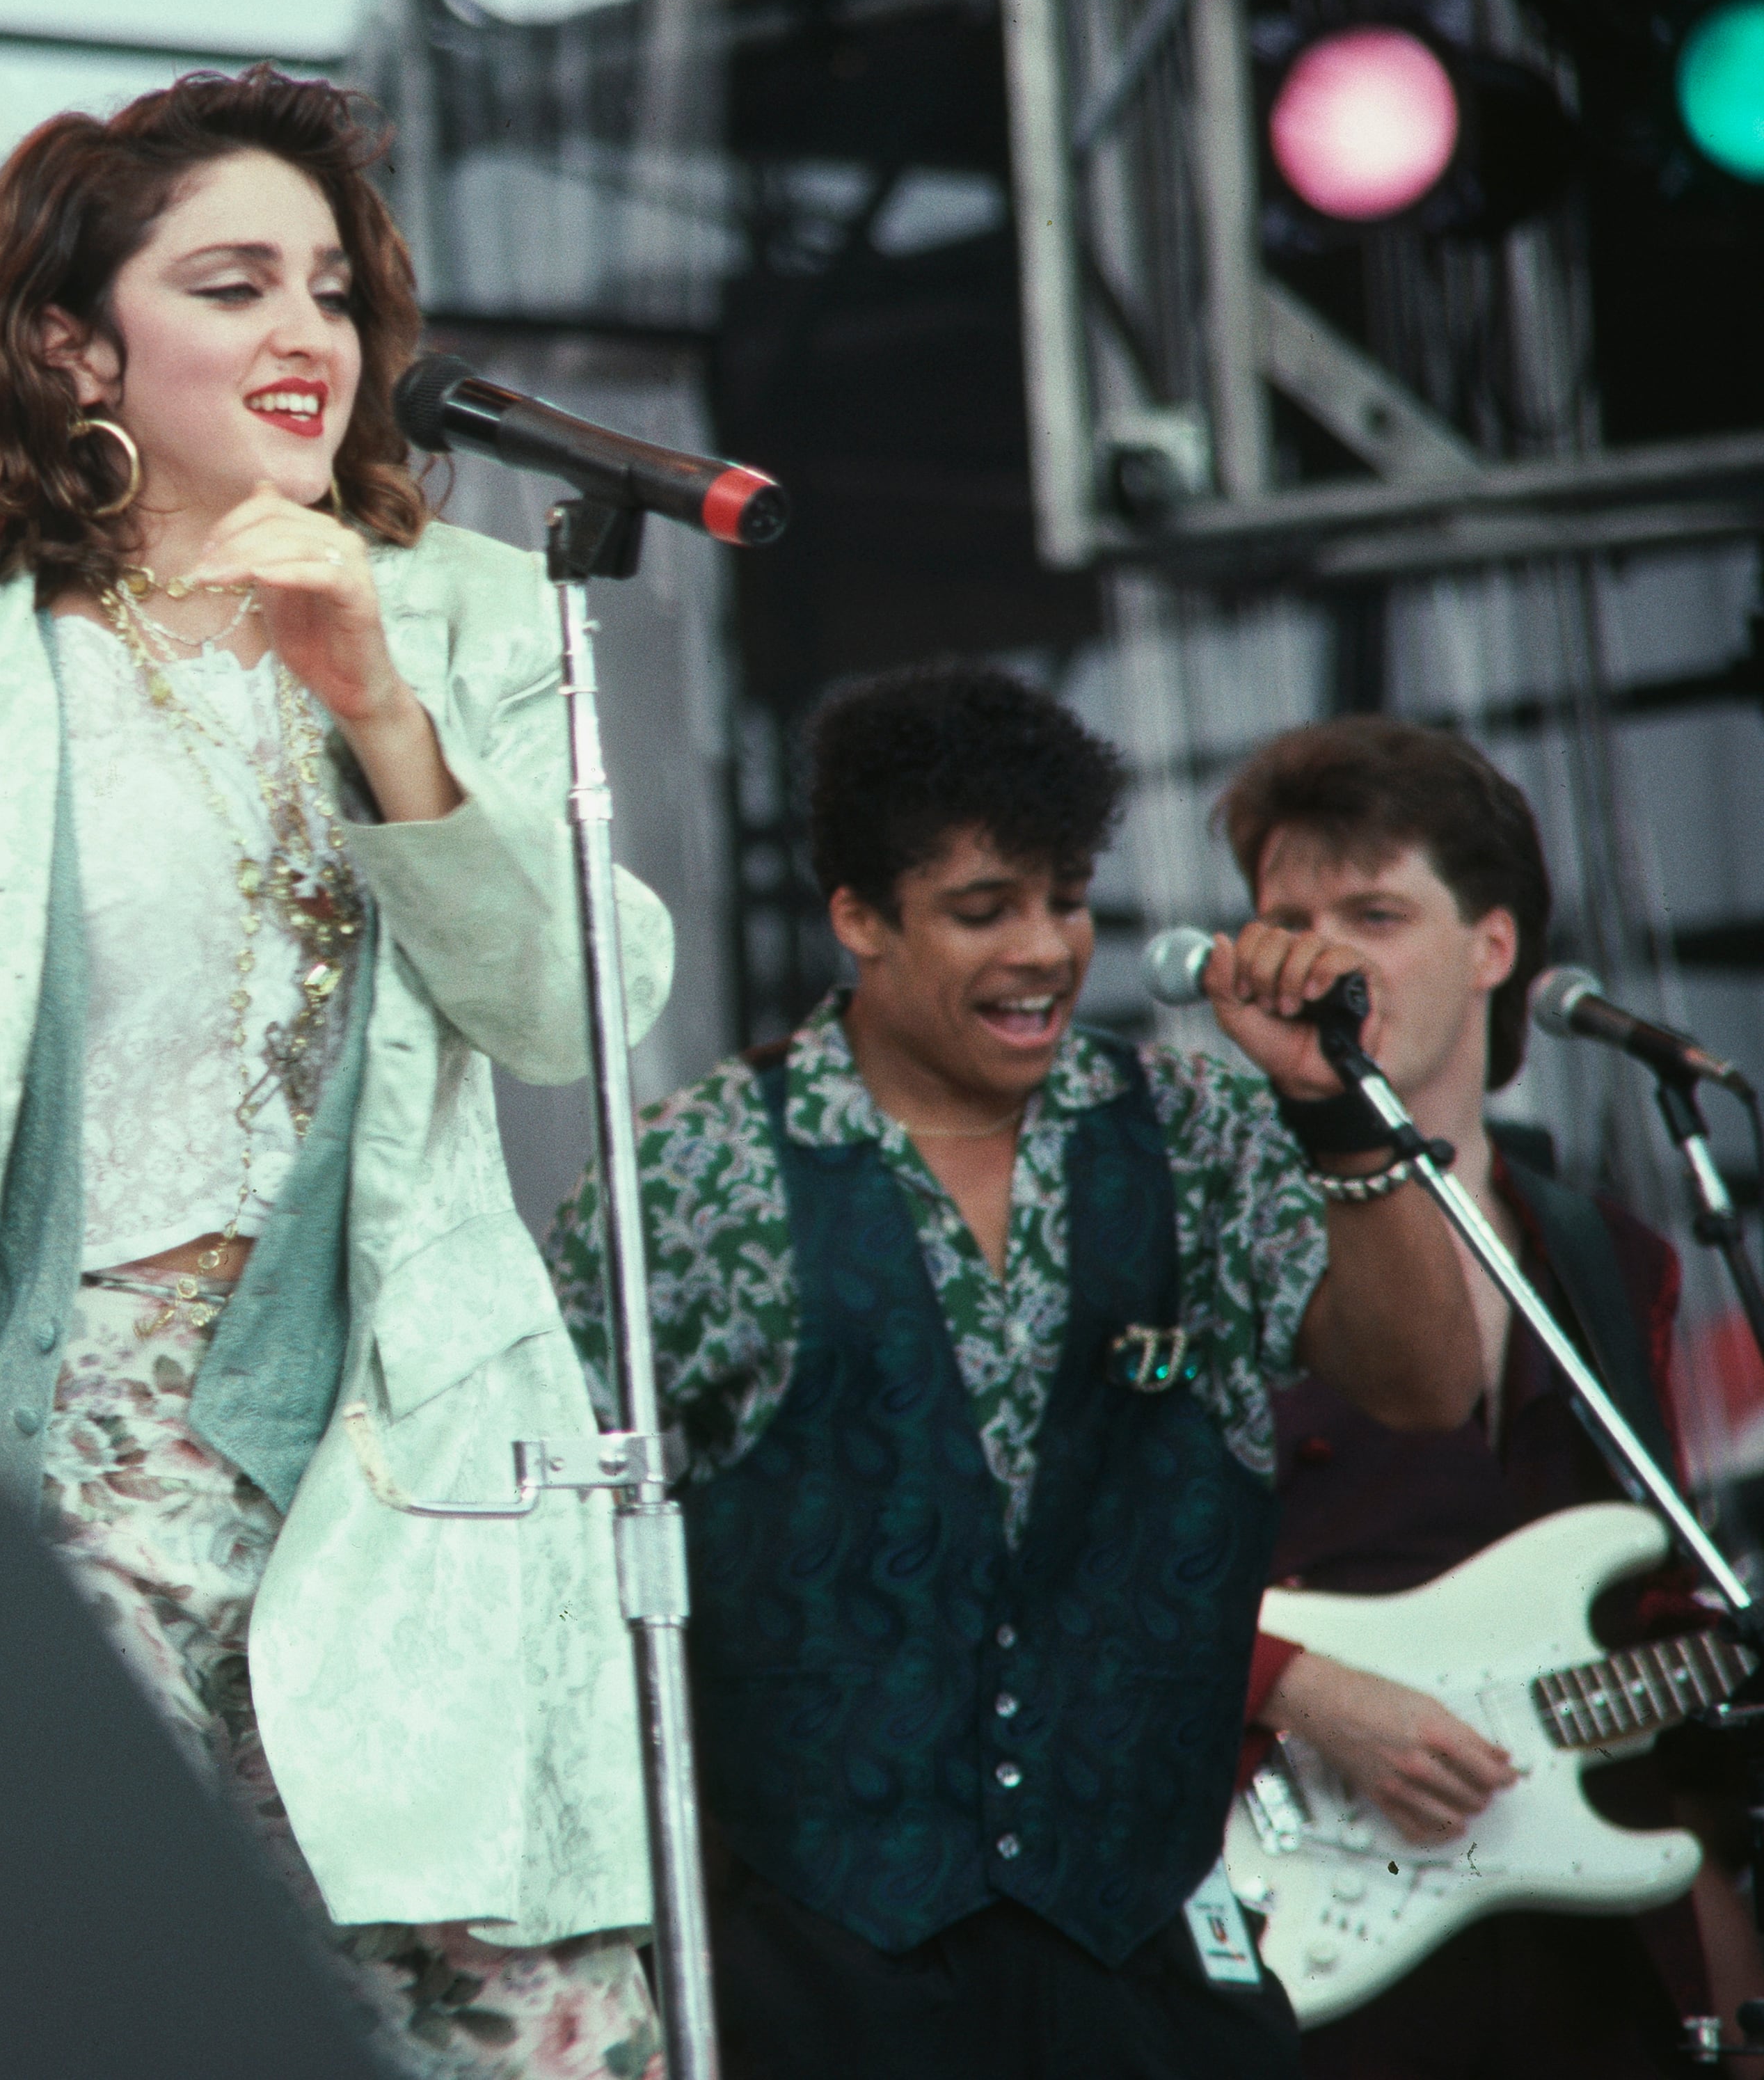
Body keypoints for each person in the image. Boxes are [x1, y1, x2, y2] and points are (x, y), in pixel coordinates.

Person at [0, 68, 678, 2074]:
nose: (309, 335)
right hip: (49, 1469)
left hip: (401, 1447)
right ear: (70, 339)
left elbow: (569, 1012)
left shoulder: (480, 616)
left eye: (331, 290)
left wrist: (376, 701)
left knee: (507, 2025)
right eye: (234, 284)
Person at [548, 661, 1483, 2080]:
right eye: (983, 909)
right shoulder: (691, 1176)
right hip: (819, 1967)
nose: (1045, 949)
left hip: (1142, 1939)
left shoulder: (1196, 1126)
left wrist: (1334, 1117)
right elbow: (544, 1563)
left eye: (1064, 897)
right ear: (856, 917)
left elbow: (1423, 1386)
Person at [1221, 717, 1764, 2076]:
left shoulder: (1601, 1256)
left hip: (1573, 1930)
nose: (1324, 956)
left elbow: (1643, 1606)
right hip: (1292, 1911)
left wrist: (1716, 1930)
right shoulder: (1202, 1233)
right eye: (1287, 918)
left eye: (1375, 912)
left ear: (1493, 946)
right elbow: (1070, 1585)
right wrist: (1305, 1689)